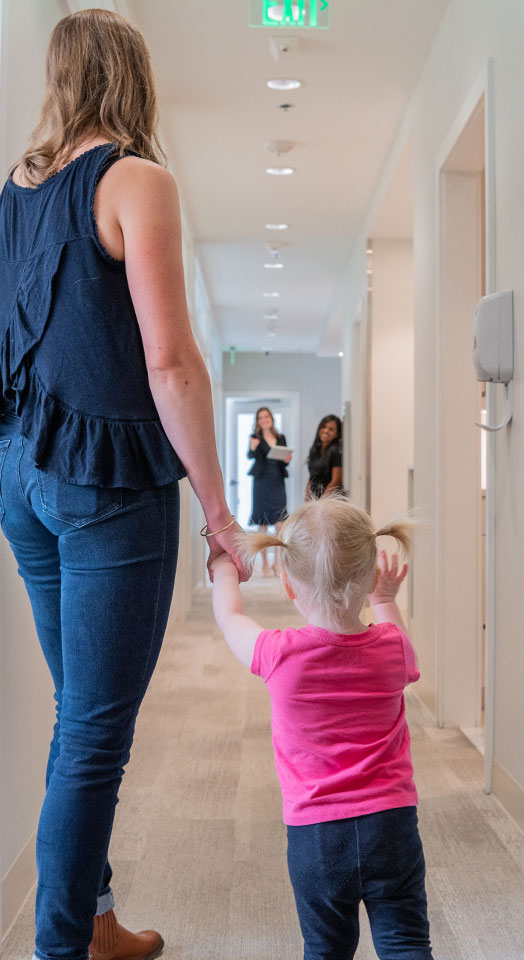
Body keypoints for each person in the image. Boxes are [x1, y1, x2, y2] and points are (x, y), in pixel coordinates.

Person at [0, 10, 250, 960]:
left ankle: (94, 919)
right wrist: (219, 510)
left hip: (22, 475)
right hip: (104, 483)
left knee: (79, 724)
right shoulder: (137, 180)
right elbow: (172, 362)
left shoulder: (13, 195)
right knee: (96, 739)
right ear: (132, 78)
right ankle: (61, 947)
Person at [211, 496, 434, 960]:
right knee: (406, 941)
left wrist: (224, 566)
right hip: (391, 825)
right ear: (372, 575)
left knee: (325, 949)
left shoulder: (279, 655)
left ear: (289, 585)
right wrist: (386, 600)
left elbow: (231, 618)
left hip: (315, 836)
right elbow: (403, 651)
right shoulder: (394, 648)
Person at [248, 406, 291, 576]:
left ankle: (277, 562)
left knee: (280, 523)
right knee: (263, 524)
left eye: (267, 416)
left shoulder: (281, 438)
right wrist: (253, 448)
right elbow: (250, 456)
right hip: (261, 483)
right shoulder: (255, 438)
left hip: (277, 482)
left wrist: (287, 460)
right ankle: (265, 563)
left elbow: (284, 462)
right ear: (258, 421)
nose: (264, 419)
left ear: (271, 419)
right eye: (261, 417)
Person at [306, 414, 342, 498]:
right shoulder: (315, 449)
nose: (326, 431)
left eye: (331, 429)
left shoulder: (336, 451)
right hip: (314, 498)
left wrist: (323, 501)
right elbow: (311, 477)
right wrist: (307, 497)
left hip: (329, 499)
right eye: (324, 427)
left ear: (336, 434)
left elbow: (336, 480)